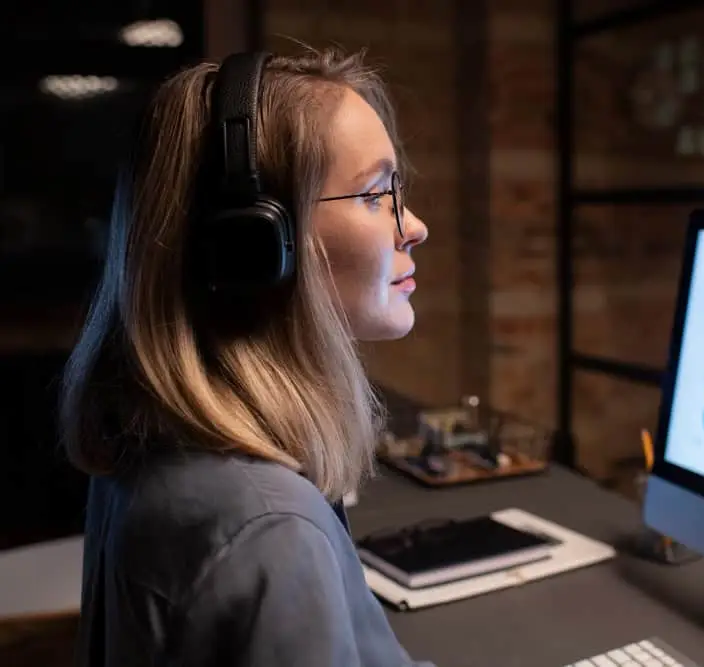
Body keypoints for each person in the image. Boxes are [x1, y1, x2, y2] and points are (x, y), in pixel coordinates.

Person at [60, 47, 432, 666]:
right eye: (375, 195)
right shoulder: (269, 532)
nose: (412, 224)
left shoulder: (154, 437)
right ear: (255, 244)